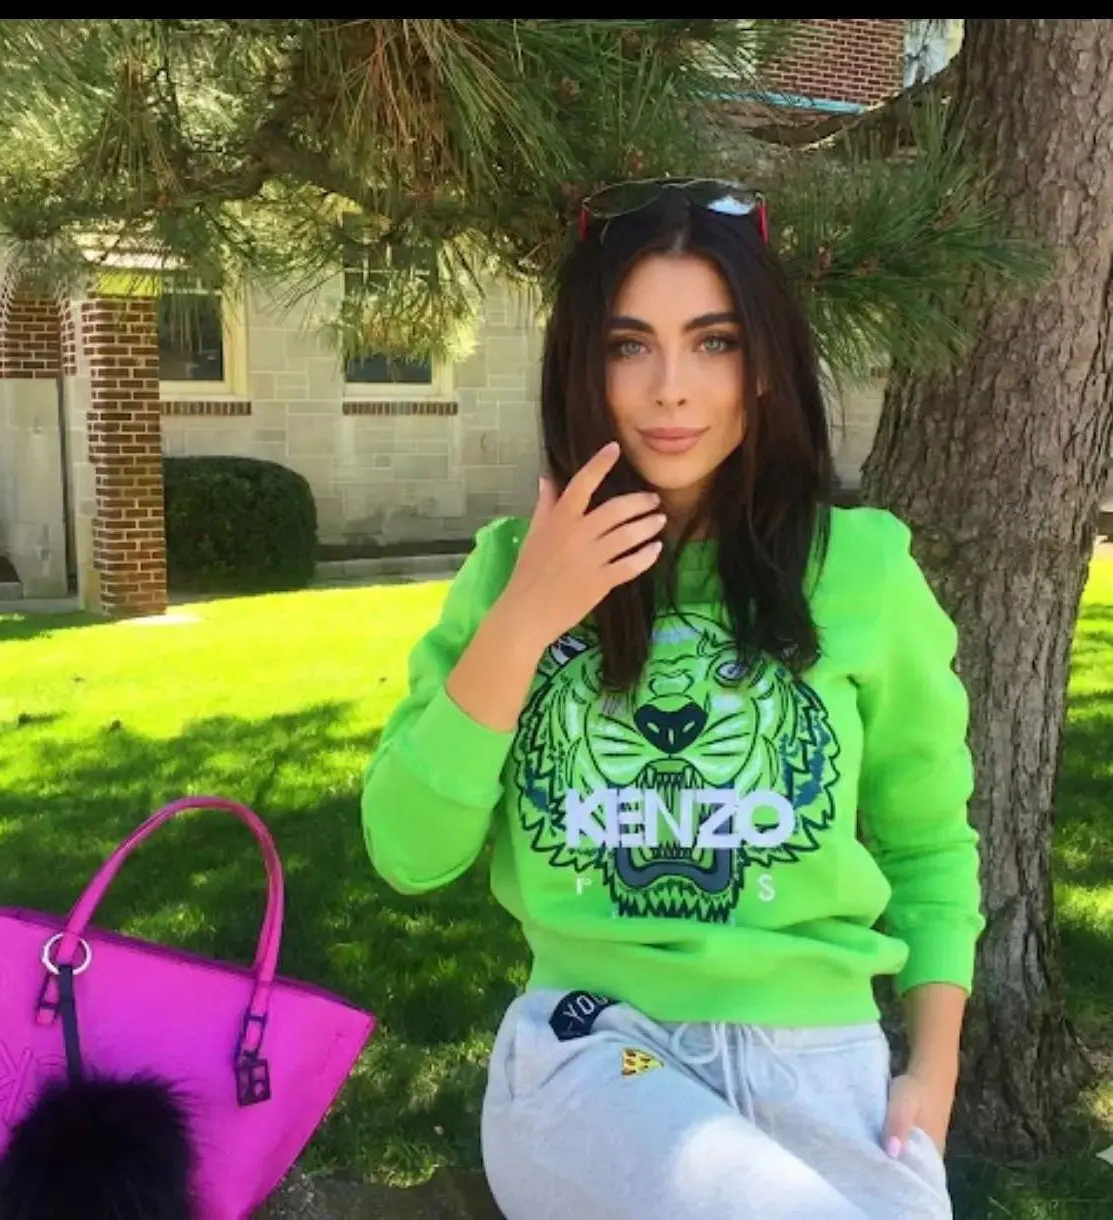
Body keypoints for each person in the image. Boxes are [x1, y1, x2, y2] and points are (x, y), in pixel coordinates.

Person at [361, 179, 984, 1220]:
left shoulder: (862, 569)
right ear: (583, 363)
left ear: (764, 362)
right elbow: (407, 850)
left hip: (820, 1061)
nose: (670, 390)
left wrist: (935, 1067)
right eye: (628, 345)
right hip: (593, 1050)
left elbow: (928, 842)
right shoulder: (511, 568)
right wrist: (527, 616)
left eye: (713, 342)